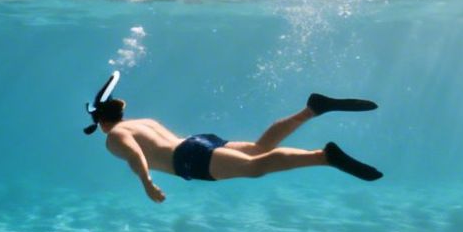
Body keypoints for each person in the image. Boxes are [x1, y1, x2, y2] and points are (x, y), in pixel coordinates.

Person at [87, 81, 383, 202]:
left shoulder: (115, 135)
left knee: (254, 167)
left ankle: (323, 157)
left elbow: (134, 155)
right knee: (258, 149)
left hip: (188, 159)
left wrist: (147, 184)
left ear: (101, 121)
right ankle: (312, 109)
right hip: (197, 142)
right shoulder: (143, 121)